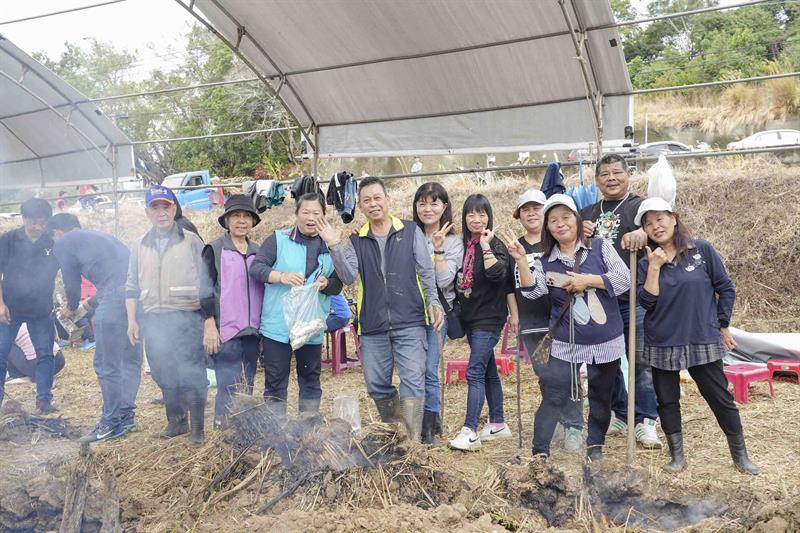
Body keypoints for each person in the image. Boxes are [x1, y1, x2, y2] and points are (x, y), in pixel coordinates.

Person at [635, 198, 758, 475]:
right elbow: (647, 303)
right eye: (649, 223)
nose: (656, 226)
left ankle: (740, 455)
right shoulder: (646, 262)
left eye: (660, 219)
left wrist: (722, 323)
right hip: (663, 339)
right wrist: (654, 267)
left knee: (718, 396)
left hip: (701, 335)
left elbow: (725, 287)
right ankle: (677, 456)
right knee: (667, 399)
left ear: (674, 218)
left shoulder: (700, 250)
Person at [317, 177, 444, 442]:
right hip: (373, 326)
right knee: (376, 385)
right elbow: (349, 276)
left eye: (377, 198)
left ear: (387, 200)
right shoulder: (356, 241)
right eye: (367, 200)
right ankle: (397, 428)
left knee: (412, 382)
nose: (373, 204)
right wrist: (333, 245)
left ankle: (411, 442)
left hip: (410, 321)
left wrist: (434, 302)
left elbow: (426, 270)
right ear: (360, 207)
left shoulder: (410, 231)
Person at [511, 194, 630, 460]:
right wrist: (521, 260)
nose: (560, 224)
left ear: (577, 220)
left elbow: (624, 280)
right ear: (547, 227)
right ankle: (539, 453)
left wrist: (588, 280)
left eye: (566, 217)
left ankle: (594, 449)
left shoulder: (600, 248)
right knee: (554, 395)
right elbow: (533, 292)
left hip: (605, 340)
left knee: (601, 396)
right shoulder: (543, 260)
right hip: (565, 341)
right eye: (553, 220)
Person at [580, 154, 662, 449]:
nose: (611, 178)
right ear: (597, 180)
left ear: (628, 174)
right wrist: (581, 232)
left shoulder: (640, 207)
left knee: (640, 360)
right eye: (605, 174)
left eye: (617, 172)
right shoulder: (587, 212)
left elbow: (664, 227)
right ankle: (619, 413)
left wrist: (644, 230)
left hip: (633, 297)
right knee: (606, 361)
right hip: (599, 299)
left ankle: (645, 420)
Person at [126, 185, 213, 445]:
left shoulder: (191, 240)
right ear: (147, 212)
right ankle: (176, 421)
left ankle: (197, 428)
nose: (162, 212)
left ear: (174, 209)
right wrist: (131, 320)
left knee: (192, 373)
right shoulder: (139, 245)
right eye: (156, 207)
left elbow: (207, 283)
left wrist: (209, 321)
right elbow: (131, 284)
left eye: (166, 206)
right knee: (163, 372)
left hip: (187, 317)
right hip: (153, 320)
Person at [49, 213, 142, 442]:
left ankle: (110, 423)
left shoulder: (63, 243)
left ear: (56, 232)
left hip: (114, 300)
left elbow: (72, 285)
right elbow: (119, 277)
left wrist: (71, 307)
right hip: (137, 296)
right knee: (130, 359)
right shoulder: (101, 236)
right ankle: (126, 415)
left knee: (106, 364)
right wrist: (87, 305)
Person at [503, 190, 582, 454]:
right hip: (531, 323)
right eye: (526, 210)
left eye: (537, 208)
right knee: (545, 376)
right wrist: (514, 314)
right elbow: (508, 286)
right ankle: (556, 421)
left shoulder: (556, 245)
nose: (532, 213)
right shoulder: (516, 247)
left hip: (560, 321)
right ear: (520, 216)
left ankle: (574, 426)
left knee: (569, 375)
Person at [250, 193, 343, 419]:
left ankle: (308, 430)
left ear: (324, 216)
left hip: (310, 326)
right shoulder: (279, 239)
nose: (311, 218)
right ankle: (276, 432)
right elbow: (257, 268)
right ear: (297, 214)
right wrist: (281, 276)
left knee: (310, 378)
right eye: (306, 212)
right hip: (278, 326)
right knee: (275, 381)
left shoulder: (330, 245)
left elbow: (339, 283)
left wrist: (326, 283)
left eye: (316, 213)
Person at [448, 194, 512, 451]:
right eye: (471, 214)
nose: (477, 219)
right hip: (472, 318)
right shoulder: (463, 246)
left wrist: (485, 246)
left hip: (490, 318)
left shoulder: (494, 244)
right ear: (464, 218)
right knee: (487, 371)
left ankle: (470, 430)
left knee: (474, 371)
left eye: (482, 214)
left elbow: (499, 275)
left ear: (489, 217)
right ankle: (497, 423)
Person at [202, 195, 264, 429]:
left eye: (246, 216)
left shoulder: (259, 252)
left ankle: (243, 426)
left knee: (247, 382)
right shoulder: (214, 250)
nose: (241, 221)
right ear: (227, 221)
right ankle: (222, 427)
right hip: (226, 331)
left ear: (253, 222)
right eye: (236, 216)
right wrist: (209, 325)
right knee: (227, 383)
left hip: (252, 330)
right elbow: (204, 289)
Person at [412, 182, 463, 443]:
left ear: (444, 207)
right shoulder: (407, 235)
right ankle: (417, 418)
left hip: (437, 313)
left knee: (429, 368)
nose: (428, 209)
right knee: (413, 369)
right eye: (422, 203)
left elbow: (444, 281)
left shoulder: (454, 242)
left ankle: (429, 424)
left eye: (434, 203)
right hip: (409, 313)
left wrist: (439, 248)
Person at [0, 198, 60, 413]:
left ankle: (44, 400)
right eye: (34, 222)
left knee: (45, 354)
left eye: (43, 222)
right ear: (24, 219)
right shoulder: (8, 240)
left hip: (41, 309)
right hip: (10, 308)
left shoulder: (51, 242)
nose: (38, 227)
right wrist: (0, 304)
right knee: (1, 353)